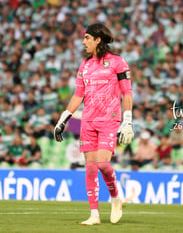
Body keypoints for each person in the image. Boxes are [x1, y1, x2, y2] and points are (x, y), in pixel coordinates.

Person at [54, 23, 133, 225]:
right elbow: (78, 95)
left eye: (87, 38)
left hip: (109, 119)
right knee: (90, 167)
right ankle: (94, 215)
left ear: (98, 40)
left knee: (103, 164)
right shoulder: (85, 65)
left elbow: (127, 93)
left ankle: (116, 197)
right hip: (87, 121)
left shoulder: (118, 63)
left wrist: (128, 121)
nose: (83, 42)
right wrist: (64, 118)